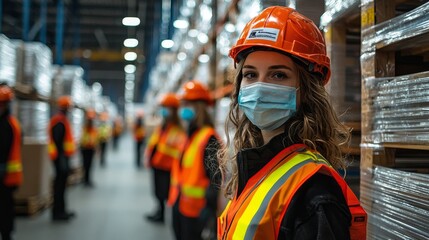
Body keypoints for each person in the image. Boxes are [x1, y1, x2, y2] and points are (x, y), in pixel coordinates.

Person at [217, 6, 367, 240]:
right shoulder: (258, 166)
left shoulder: (315, 192)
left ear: (306, 90)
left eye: (278, 75)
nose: (259, 88)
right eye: (250, 74)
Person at [171, 80, 221, 240]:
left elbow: (215, 179)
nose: (183, 109)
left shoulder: (209, 138)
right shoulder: (190, 135)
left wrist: (209, 209)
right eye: (182, 104)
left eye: (187, 104)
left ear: (199, 107)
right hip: (180, 204)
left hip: (197, 211)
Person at [144, 93, 186, 223]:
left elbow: (176, 150)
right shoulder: (163, 127)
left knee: (166, 193)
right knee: (158, 192)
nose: (163, 111)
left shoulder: (178, 129)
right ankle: (159, 211)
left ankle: (164, 215)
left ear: (174, 110)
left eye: (166, 108)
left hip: (168, 168)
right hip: (157, 164)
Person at [48, 95, 76, 221]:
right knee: (59, 186)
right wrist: (62, 160)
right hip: (60, 158)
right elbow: (58, 142)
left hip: (62, 158)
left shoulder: (61, 119)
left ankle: (62, 210)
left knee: (62, 186)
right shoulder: (59, 121)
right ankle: (57, 213)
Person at [0, 85, 22, 240]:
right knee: (7, 207)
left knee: (4, 208)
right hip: (11, 175)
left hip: (4, 175)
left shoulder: (5, 125)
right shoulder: (13, 122)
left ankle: (6, 234)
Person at [80, 109, 98, 187]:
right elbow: (83, 139)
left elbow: (95, 139)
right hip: (85, 148)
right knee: (86, 165)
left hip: (91, 149)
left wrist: (96, 147)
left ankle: (87, 180)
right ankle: (85, 180)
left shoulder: (93, 129)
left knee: (89, 165)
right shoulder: (85, 128)